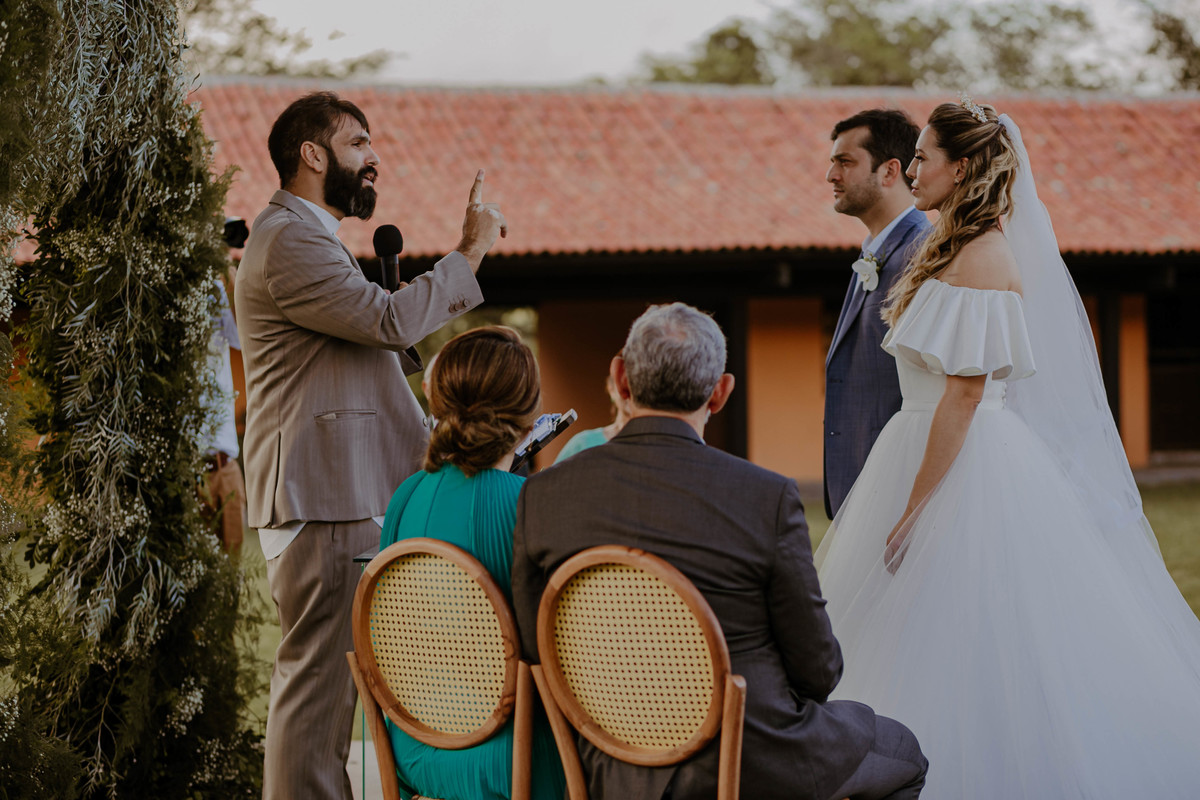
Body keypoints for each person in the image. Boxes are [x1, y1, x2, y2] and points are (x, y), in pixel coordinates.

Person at [814, 99, 1200, 798]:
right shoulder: (946, 247)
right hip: (918, 443)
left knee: (972, 625)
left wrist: (914, 511)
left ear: (961, 168)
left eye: (926, 157)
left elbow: (963, 396)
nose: (917, 169)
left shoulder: (987, 256)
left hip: (962, 463)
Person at [512, 302, 928, 800]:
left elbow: (535, 647)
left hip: (615, 760)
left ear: (621, 380)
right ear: (720, 392)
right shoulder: (764, 497)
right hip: (743, 759)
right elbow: (817, 672)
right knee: (903, 755)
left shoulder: (544, 494)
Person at [235, 91, 507, 800]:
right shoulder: (291, 237)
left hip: (335, 492)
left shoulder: (309, 235)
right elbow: (387, 322)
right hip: (323, 496)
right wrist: (469, 250)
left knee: (327, 690)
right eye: (359, 142)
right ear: (312, 154)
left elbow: (364, 343)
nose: (374, 156)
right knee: (319, 693)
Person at [379, 326, 566, 800]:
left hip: (417, 747)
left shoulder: (405, 498)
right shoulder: (530, 504)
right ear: (530, 421)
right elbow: (554, 648)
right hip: (512, 759)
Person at [824, 109, 930, 519]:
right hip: (863, 483)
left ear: (890, 171)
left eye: (845, 162)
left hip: (896, 485)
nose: (831, 176)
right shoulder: (875, 250)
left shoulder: (923, 254)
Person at [199, 271, 246, 556]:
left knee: (232, 568)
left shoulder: (216, 292)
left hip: (226, 466)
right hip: (192, 471)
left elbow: (246, 336)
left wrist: (234, 277)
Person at [552, 369, 630, 463]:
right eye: (624, 382)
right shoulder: (584, 443)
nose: (631, 391)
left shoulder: (651, 446)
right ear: (611, 389)